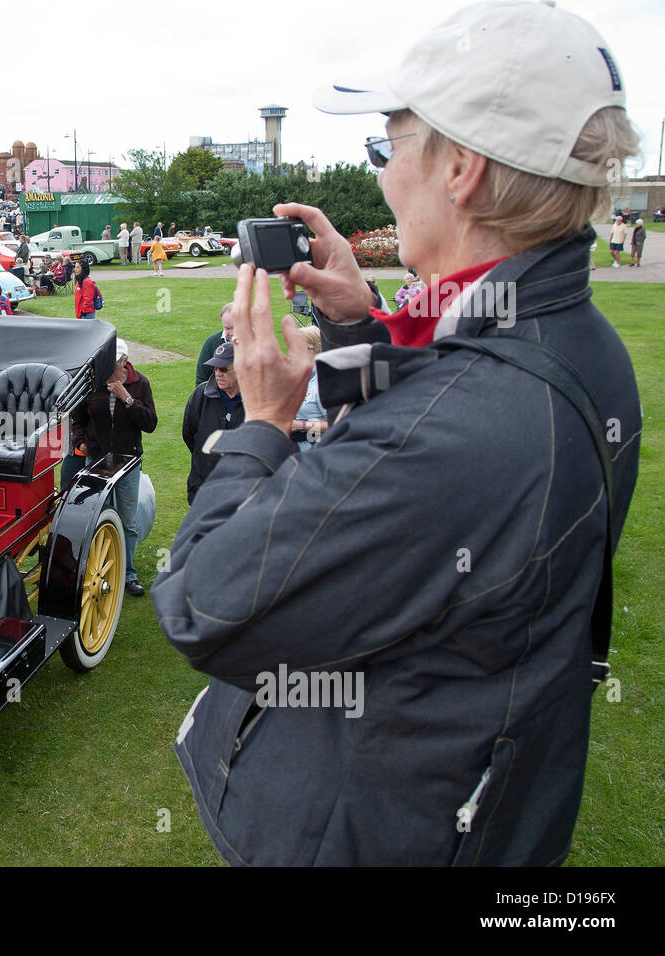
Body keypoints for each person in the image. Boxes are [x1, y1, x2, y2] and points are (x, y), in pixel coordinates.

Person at [154, 0, 642, 866]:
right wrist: (360, 328)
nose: (380, 175)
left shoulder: (456, 430)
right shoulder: (579, 341)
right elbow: (456, 405)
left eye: (387, 146)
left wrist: (263, 423)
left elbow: (203, 603)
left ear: (460, 169)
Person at [69, 338, 155, 596]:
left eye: (112, 364)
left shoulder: (140, 384)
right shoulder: (92, 384)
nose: (107, 370)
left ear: (124, 362)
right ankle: (102, 572)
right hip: (95, 463)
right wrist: (81, 442)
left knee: (127, 522)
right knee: (97, 520)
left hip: (128, 464)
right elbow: (78, 417)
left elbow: (150, 423)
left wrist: (126, 398)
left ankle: (128, 575)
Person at [182, 341, 244, 504]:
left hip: (241, 486)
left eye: (223, 369)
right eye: (215, 368)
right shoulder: (202, 394)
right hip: (204, 483)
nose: (218, 373)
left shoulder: (254, 398)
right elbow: (189, 432)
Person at [289, 324, 327, 451]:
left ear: (316, 349)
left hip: (314, 452)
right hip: (292, 448)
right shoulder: (297, 377)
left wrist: (301, 425)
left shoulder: (322, 382)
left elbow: (334, 425)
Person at [195, 303, 235, 386]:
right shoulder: (212, 342)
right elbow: (202, 380)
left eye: (235, 327)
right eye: (227, 328)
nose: (231, 333)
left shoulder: (260, 342)